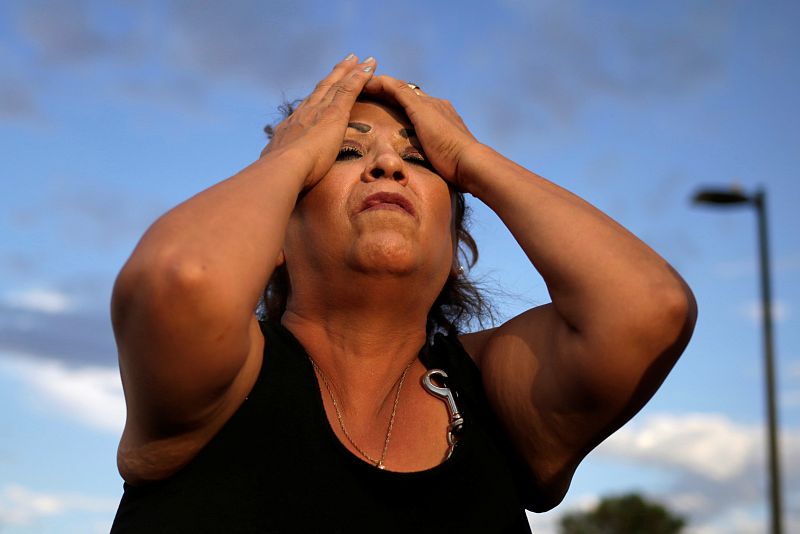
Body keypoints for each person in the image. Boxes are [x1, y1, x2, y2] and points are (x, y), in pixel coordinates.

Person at [109, 54, 697, 533]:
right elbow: (181, 276)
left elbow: (650, 307)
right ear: (274, 235)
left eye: (420, 160)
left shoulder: (495, 390)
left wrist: (471, 156)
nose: (388, 163)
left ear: (453, 241)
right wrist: (290, 151)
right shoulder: (221, 377)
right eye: (344, 150)